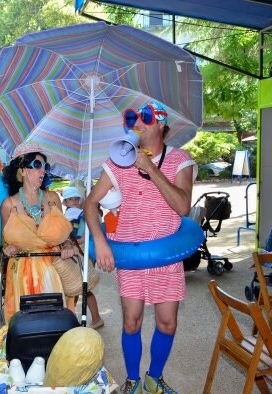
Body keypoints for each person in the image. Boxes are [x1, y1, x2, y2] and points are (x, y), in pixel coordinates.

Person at [84, 101, 196, 394]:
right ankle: (133, 379)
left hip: (166, 256)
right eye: (132, 118)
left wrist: (149, 167)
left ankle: (154, 378)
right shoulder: (119, 159)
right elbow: (90, 202)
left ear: (161, 123)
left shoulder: (180, 159)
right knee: (131, 322)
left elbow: (183, 206)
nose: (137, 122)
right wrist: (99, 240)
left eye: (144, 118)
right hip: (131, 255)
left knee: (167, 323)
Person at [0, 141, 75, 322]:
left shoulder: (53, 198)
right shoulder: (8, 205)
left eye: (45, 166)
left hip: (54, 271)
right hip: (23, 276)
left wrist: (66, 245)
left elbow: (65, 237)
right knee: (27, 329)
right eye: (38, 165)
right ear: (22, 170)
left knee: (54, 325)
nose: (43, 171)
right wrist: (8, 248)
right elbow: (5, 242)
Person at [61, 186, 104, 329]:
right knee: (77, 287)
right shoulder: (72, 214)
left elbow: (81, 236)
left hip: (81, 252)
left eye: (75, 198)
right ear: (65, 202)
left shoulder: (78, 214)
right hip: (79, 251)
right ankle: (75, 318)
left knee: (82, 287)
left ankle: (95, 318)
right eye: (70, 199)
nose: (73, 201)